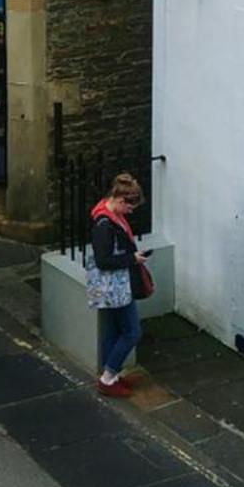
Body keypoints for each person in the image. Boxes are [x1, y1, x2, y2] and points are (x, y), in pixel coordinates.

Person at [86, 171, 146, 398]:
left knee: (112, 329)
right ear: (120, 200)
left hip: (111, 286)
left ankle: (109, 374)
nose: (130, 213)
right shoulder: (105, 225)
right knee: (132, 331)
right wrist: (133, 259)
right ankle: (108, 378)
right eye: (130, 208)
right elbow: (103, 260)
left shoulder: (108, 216)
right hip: (116, 286)